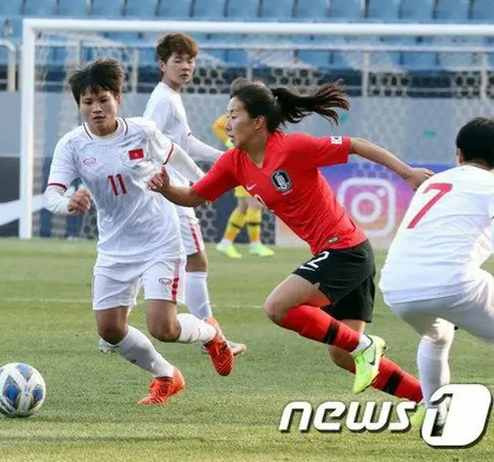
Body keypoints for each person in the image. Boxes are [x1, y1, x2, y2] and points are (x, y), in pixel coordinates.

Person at [148, 77, 431, 398]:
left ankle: (366, 345)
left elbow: (355, 144)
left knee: (278, 307)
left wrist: (407, 172)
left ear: (258, 123)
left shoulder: (292, 147)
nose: (226, 123)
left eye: (234, 114)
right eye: (227, 114)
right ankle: (427, 399)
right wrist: (165, 187)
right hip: (338, 256)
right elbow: (193, 196)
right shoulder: (234, 162)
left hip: (347, 250)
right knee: (342, 354)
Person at [43, 58, 235, 406]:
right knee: (110, 331)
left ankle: (211, 334)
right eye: (88, 102)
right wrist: (68, 202)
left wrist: (200, 186)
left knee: (164, 328)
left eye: (103, 99)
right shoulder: (72, 145)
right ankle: (166, 376)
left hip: (159, 240)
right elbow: (51, 195)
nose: (96, 109)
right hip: (115, 248)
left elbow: (175, 154)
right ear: (79, 106)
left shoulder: (142, 132)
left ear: (117, 98)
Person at [380, 117, 494, 430]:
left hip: (396, 287)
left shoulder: (433, 182)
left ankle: (435, 412)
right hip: (454, 283)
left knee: (437, 335)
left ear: (458, 155)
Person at [143, 33, 247, 356]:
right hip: (171, 193)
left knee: (160, 259)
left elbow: (185, 143)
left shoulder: (171, 96)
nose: (186, 66)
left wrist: (225, 158)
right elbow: (149, 139)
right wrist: (194, 183)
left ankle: (112, 330)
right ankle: (212, 338)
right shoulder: (163, 100)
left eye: (190, 61)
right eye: (178, 60)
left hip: (169, 190)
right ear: (162, 65)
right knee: (196, 260)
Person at [212, 113, 275, 259]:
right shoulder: (241, 110)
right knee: (255, 203)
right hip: (246, 162)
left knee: (243, 206)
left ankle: (226, 242)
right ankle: (255, 244)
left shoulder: (254, 113)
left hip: (249, 161)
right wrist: (229, 141)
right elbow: (218, 125)